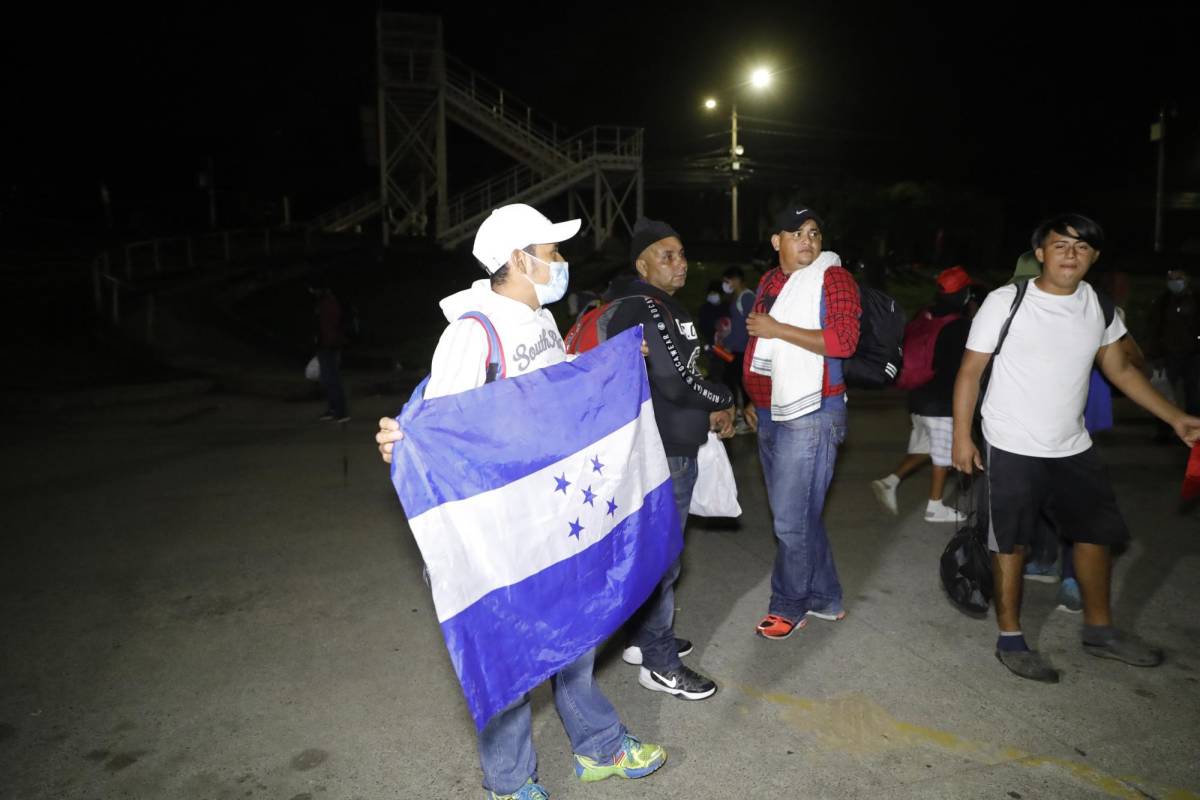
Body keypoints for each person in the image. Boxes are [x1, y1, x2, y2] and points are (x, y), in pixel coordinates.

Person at [374, 204, 666, 800]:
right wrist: (405, 440)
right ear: (518, 259)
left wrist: (605, 371)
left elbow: (554, 403)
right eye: (552, 252)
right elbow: (442, 427)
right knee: (507, 650)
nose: (561, 262)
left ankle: (599, 747)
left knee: (575, 631)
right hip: (496, 530)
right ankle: (509, 783)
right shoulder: (473, 331)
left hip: (550, 517)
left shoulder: (539, 322)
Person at [951, 213, 1200, 683]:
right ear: (1041, 253)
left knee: (1096, 535)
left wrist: (1174, 417)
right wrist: (962, 436)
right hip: (1012, 443)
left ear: (1095, 257)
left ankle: (1100, 631)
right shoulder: (1007, 301)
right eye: (1060, 245)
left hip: (1072, 445)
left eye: (1082, 247)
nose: (1071, 253)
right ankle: (1011, 639)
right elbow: (970, 372)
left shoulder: (1099, 307)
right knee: (1012, 543)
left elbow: (1122, 371)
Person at [602, 217, 734, 700]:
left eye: (681, 254)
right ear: (642, 264)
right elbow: (676, 381)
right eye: (667, 256)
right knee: (662, 560)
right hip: (662, 451)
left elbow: (682, 370)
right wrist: (720, 397)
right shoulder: (643, 305)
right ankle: (659, 663)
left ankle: (645, 639)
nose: (680, 264)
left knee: (659, 556)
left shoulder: (656, 304)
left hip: (668, 444)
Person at [742, 206, 862, 639]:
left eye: (814, 231)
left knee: (790, 520)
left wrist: (779, 328)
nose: (808, 240)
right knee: (800, 515)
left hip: (813, 412)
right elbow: (757, 345)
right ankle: (826, 597)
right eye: (796, 233)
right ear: (777, 241)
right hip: (772, 410)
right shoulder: (772, 282)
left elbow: (844, 342)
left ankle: (789, 604)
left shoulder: (834, 278)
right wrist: (752, 399)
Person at [872, 266, 973, 523]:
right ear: (963, 294)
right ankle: (935, 506)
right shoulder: (960, 326)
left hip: (917, 397)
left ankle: (889, 481)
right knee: (944, 453)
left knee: (925, 446)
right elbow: (961, 368)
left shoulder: (924, 314)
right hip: (941, 402)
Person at [1148, 268, 1200, 417]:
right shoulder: (1163, 302)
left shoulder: (1196, 299)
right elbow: (1154, 328)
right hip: (1169, 354)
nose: (1175, 282)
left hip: (1193, 355)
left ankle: (1194, 427)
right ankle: (1164, 428)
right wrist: (1155, 353)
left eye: (1179, 278)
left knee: (1194, 394)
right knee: (1164, 394)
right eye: (1171, 279)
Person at [721, 266, 757, 432]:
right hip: (734, 350)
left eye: (727, 281)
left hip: (744, 350)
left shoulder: (747, 298)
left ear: (736, 280)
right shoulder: (736, 298)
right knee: (732, 382)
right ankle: (740, 415)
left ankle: (750, 418)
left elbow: (752, 325)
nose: (725, 284)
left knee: (744, 385)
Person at [311, 283, 349, 422]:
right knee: (327, 379)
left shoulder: (329, 303)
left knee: (333, 379)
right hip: (325, 345)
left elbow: (330, 326)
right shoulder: (324, 302)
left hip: (330, 346)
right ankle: (333, 409)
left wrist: (328, 342)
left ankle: (341, 412)